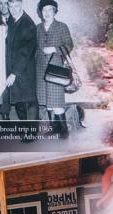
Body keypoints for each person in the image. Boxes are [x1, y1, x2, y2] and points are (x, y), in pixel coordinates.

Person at [35, 0, 74, 138]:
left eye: (49, 10)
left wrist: (55, 49)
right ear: (41, 12)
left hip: (56, 69)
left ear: (55, 11)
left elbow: (69, 45)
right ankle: (54, 127)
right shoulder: (38, 28)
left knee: (56, 101)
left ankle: (64, 130)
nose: (46, 13)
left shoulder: (62, 26)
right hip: (40, 69)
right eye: (44, 10)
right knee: (47, 101)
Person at [2, 0, 39, 122]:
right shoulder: (12, 21)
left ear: (21, 5)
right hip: (16, 69)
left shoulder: (27, 23)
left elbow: (25, 52)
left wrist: (14, 73)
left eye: (16, 6)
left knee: (28, 102)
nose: (13, 9)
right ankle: (26, 129)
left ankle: (31, 132)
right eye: (10, 6)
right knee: (19, 102)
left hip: (24, 71)